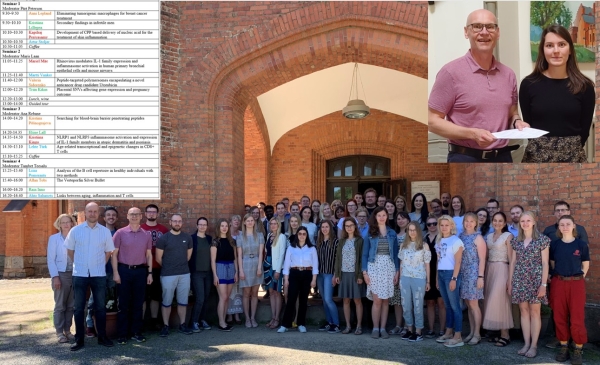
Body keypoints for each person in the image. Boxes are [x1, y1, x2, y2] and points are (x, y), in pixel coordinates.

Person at [428, 9, 524, 162]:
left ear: (498, 33)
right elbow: (432, 121)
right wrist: (472, 134)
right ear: (466, 32)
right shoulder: (450, 73)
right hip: (464, 157)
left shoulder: (509, 75)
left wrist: (517, 122)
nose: (484, 32)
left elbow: (513, 113)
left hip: (503, 158)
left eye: (490, 27)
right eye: (477, 26)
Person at [519, 24, 595, 163]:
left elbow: (584, 130)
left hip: (573, 158)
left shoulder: (585, 86)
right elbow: (529, 125)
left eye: (561, 44)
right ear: (543, 50)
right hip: (536, 158)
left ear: (570, 49)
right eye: (549, 45)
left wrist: (567, 149)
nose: (556, 51)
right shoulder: (528, 85)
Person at [66, 202, 115, 351]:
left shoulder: (105, 232)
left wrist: (100, 264)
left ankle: (102, 337)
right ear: (85, 213)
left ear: (98, 214)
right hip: (79, 273)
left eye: (95, 211)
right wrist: (79, 263)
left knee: (100, 307)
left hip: (98, 274)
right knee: (79, 308)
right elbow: (70, 250)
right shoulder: (75, 231)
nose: (92, 214)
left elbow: (109, 252)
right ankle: (79, 339)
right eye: (90, 211)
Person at [508, 211, 551, 358]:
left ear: (533, 222)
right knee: (524, 312)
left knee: (535, 312)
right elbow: (513, 262)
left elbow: (545, 264)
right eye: (522, 221)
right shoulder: (516, 241)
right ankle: (526, 343)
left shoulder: (542, 240)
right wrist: (510, 281)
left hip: (536, 279)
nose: (525, 223)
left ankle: (534, 345)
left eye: (528, 220)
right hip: (520, 279)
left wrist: (543, 285)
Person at [550, 215, 589, 365]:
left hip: (576, 284)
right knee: (559, 315)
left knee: (576, 317)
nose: (565, 226)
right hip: (559, 282)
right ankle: (564, 346)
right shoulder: (555, 245)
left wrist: (577, 279)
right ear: (559, 227)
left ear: (573, 226)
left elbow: (585, 265)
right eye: (562, 224)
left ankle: (578, 348)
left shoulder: (581, 244)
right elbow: (553, 264)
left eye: (568, 224)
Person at [112, 207, 153, 345]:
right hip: (124, 270)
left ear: (141, 216)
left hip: (140, 271)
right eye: (132, 214)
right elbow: (114, 254)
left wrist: (150, 273)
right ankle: (122, 334)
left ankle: (136, 332)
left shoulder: (146, 234)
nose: (134, 216)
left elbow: (149, 255)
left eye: (137, 214)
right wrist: (116, 273)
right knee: (123, 304)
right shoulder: (120, 233)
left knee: (138, 303)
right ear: (128, 216)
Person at [361, 207, 399, 339]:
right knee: (377, 300)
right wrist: (364, 273)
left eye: (384, 215)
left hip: (389, 266)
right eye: (379, 215)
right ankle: (375, 328)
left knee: (385, 300)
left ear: (387, 217)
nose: (382, 217)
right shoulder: (370, 232)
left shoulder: (392, 233)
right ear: (375, 217)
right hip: (374, 267)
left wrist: (397, 271)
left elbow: (395, 254)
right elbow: (365, 254)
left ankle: (383, 328)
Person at [156, 214, 194, 337]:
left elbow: (188, 257)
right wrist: (169, 266)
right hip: (168, 274)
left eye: (179, 221)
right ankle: (165, 326)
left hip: (184, 274)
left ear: (182, 223)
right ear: (170, 222)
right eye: (175, 221)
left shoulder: (187, 238)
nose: (177, 223)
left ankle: (182, 325)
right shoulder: (164, 238)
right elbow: (158, 258)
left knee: (183, 301)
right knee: (166, 301)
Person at [278, 226, 318, 333]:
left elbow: (315, 265)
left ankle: (301, 324)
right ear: (297, 235)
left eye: (304, 234)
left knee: (303, 300)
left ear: (307, 235)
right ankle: (285, 324)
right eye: (300, 234)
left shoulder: (312, 248)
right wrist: (286, 280)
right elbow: (286, 265)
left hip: (307, 274)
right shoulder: (291, 247)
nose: (302, 236)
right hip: (294, 274)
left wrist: (314, 279)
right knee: (291, 299)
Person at [483, 212, 514, 347]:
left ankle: (505, 334)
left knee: (500, 300)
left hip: (502, 268)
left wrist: (510, 279)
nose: (497, 223)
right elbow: (486, 256)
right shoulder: (489, 236)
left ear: (505, 223)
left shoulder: (508, 236)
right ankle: (496, 333)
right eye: (495, 220)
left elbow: (513, 259)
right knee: (490, 300)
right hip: (490, 269)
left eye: (500, 221)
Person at [398, 221, 431, 342]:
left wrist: (428, 281)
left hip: (419, 278)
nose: (412, 232)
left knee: (418, 305)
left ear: (418, 231)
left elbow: (427, 265)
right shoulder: (403, 245)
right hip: (405, 278)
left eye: (414, 229)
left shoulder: (424, 245)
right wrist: (400, 279)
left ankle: (418, 331)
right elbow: (401, 263)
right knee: (406, 305)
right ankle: (409, 329)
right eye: (409, 230)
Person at [435, 215, 464, 347]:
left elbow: (458, 261)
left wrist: (454, 278)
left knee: (455, 306)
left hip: (451, 274)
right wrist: (436, 277)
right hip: (441, 274)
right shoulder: (439, 240)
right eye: (442, 225)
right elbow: (439, 260)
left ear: (452, 226)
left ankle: (458, 336)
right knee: (447, 305)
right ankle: (448, 332)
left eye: (447, 225)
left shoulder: (456, 241)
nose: (444, 227)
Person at [47, 213, 77, 344]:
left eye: (68, 222)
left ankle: (68, 331)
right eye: (63, 222)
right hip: (60, 273)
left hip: (75, 273)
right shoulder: (54, 239)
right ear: (59, 224)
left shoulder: (76, 237)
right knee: (60, 305)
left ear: (72, 223)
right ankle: (59, 332)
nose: (65, 224)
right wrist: (55, 277)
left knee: (71, 305)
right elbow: (50, 260)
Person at [458, 212, 487, 346]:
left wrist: (480, 277)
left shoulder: (478, 238)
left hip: (474, 273)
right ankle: (471, 331)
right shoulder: (461, 237)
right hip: (463, 273)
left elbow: (482, 259)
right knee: (468, 304)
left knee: (474, 304)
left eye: (471, 221)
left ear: (476, 223)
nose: (468, 223)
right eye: (466, 221)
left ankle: (477, 334)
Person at [334, 217, 365, 335]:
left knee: (357, 300)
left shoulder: (360, 241)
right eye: (347, 226)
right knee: (346, 300)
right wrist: (337, 274)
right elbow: (337, 259)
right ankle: (347, 326)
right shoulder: (341, 241)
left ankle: (359, 326)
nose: (349, 228)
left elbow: (362, 259)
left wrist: (360, 275)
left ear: (355, 226)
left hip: (355, 274)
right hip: (344, 274)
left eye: (351, 225)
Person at [141, 204, 170, 330]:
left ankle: (154, 320)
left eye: (154, 212)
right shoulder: (140, 228)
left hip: (158, 267)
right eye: (149, 212)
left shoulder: (163, 230)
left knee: (156, 296)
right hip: (142, 267)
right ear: (145, 214)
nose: (151, 214)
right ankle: (140, 322)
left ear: (157, 214)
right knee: (141, 296)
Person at [237, 214, 265, 328]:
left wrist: (259, 267)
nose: (250, 222)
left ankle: (253, 317)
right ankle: (247, 318)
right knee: (246, 293)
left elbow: (261, 254)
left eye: (251, 220)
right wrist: (241, 271)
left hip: (256, 264)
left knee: (254, 293)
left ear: (254, 222)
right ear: (244, 222)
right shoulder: (240, 236)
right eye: (247, 220)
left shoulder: (259, 235)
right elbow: (239, 256)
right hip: (245, 264)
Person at [211, 219, 237, 332]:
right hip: (220, 268)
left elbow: (235, 258)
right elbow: (212, 260)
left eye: (226, 226)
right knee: (223, 297)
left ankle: (225, 321)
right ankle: (221, 322)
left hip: (231, 268)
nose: (224, 228)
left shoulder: (232, 241)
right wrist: (215, 275)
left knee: (227, 298)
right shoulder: (215, 242)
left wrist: (236, 271)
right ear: (219, 227)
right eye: (222, 226)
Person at [188, 217, 213, 332]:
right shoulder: (192, 238)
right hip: (196, 273)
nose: (202, 226)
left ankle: (202, 320)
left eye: (204, 224)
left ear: (207, 226)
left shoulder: (209, 239)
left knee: (207, 298)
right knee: (200, 298)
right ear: (197, 225)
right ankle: (194, 322)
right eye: (200, 224)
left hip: (208, 273)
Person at [316, 220, 340, 333]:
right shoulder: (319, 242)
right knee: (324, 300)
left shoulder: (336, 242)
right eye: (322, 227)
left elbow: (337, 260)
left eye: (327, 227)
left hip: (330, 274)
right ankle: (329, 322)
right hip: (320, 274)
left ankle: (336, 324)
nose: (324, 229)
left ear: (330, 228)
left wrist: (335, 275)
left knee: (328, 299)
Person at [424, 215, 445, 338]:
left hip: (440, 272)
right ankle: (431, 329)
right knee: (430, 302)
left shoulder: (442, 237)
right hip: (427, 273)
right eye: (429, 224)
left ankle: (442, 330)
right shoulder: (424, 238)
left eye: (434, 223)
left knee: (441, 302)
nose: (432, 226)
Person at [389, 211, 409, 336]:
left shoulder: (412, 233)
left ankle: (407, 325)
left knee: (406, 300)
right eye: (398, 219)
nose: (400, 221)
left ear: (408, 219)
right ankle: (398, 325)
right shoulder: (394, 234)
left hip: (408, 270)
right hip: (396, 269)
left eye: (403, 218)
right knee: (397, 300)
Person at [264, 218, 287, 329]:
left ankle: (277, 318)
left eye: (275, 224)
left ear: (278, 225)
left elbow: (282, 254)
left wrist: (278, 270)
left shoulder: (282, 237)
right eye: (271, 224)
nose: (273, 225)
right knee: (271, 292)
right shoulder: (269, 236)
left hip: (276, 267)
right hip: (268, 266)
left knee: (277, 292)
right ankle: (273, 317)